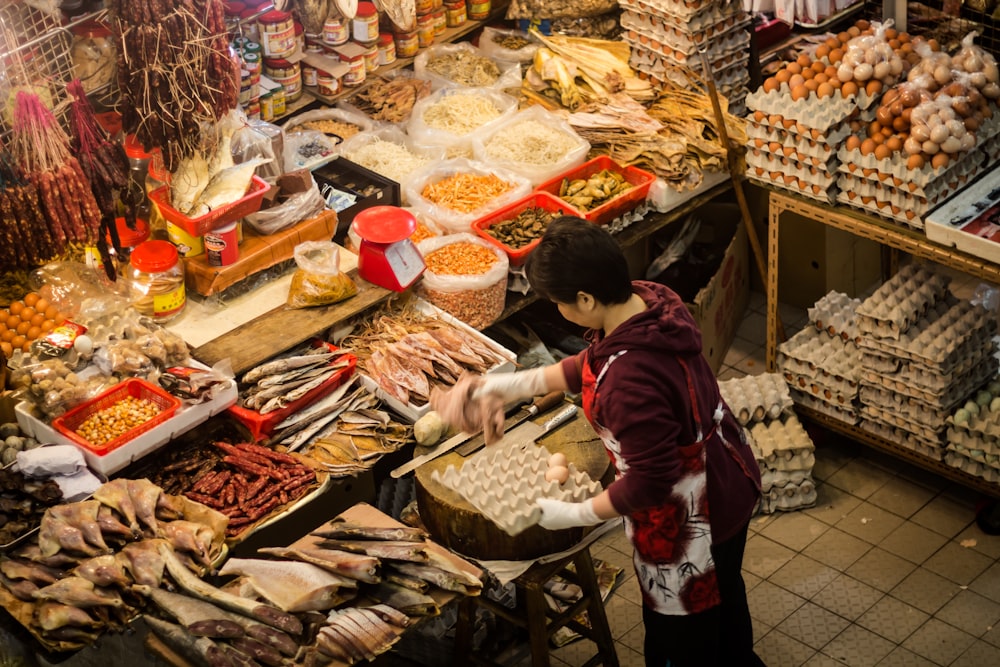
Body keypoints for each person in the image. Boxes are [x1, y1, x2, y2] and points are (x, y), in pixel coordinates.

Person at [432, 216, 765, 667]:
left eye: (557, 303)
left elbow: (651, 481)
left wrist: (574, 512)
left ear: (585, 298)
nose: (557, 310)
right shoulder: (648, 300)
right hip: (729, 473)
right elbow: (588, 364)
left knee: (684, 641)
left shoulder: (630, 384)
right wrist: (503, 387)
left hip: (695, 516)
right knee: (725, 605)